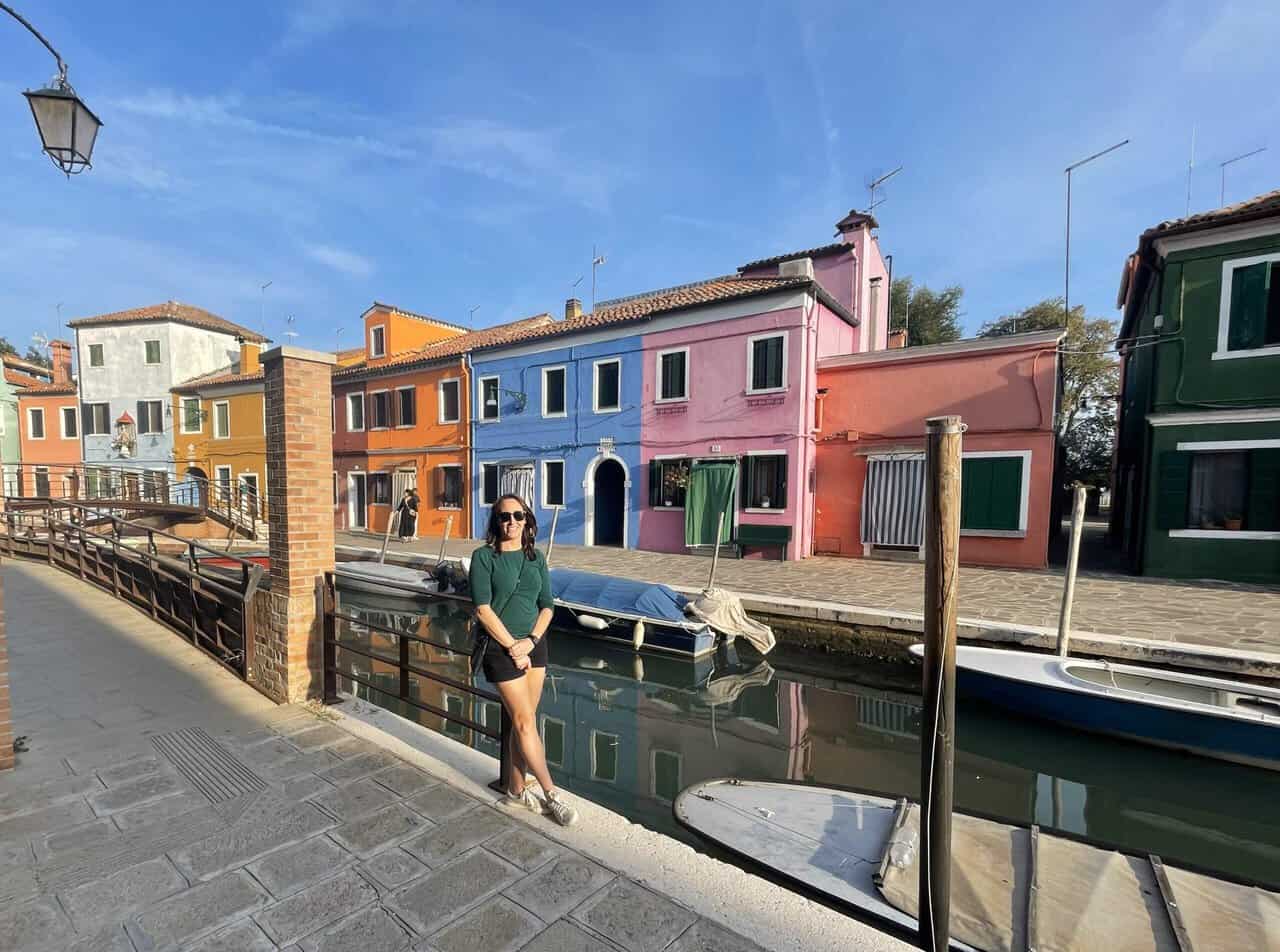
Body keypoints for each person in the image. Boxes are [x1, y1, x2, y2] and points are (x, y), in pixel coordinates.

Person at [469, 493, 579, 826]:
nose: (512, 522)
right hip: (500, 650)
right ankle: (552, 795)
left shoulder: (536, 558)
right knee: (524, 722)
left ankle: (516, 792)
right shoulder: (484, 557)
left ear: (527, 520)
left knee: (525, 720)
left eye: (518, 516)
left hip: (534, 646)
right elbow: (482, 609)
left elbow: (548, 605)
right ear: (495, 522)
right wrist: (513, 647)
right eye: (505, 517)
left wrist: (529, 642)